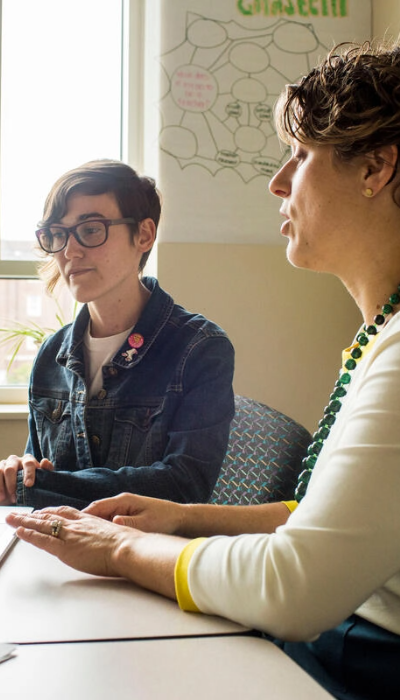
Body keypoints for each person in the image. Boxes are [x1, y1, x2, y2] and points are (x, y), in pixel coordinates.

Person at [7, 40, 400, 699]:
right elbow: (320, 518)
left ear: (378, 168)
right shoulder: (377, 338)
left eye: (300, 156)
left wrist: (120, 548)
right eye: (60, 234)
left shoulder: (204, 346)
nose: (277, 182)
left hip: (354, 657)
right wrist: (179, 520)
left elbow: (295, 585)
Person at [0, 160, 235, 509]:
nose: (69, 251)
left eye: (91, 230)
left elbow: (185, 485)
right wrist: (23, 472)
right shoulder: (53, 355)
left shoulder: (199, 349)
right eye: (58, 234)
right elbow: (39, 474)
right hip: (58, 546)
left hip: (143, 555)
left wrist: (42, 486)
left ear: (144, 235)